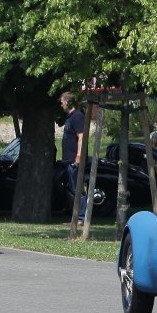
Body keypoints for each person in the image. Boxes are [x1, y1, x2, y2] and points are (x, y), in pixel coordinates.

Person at [61, 92, 86, 221]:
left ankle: (81, 217)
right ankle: (76, 215)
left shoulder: (77, 116)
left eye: (62, 102)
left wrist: (78, 156)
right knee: (73, 188)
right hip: (68, 159)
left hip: (74, 159)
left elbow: (81, 137)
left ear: (67, 102)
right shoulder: (70, 117)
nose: (61, 105)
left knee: (78, 188)